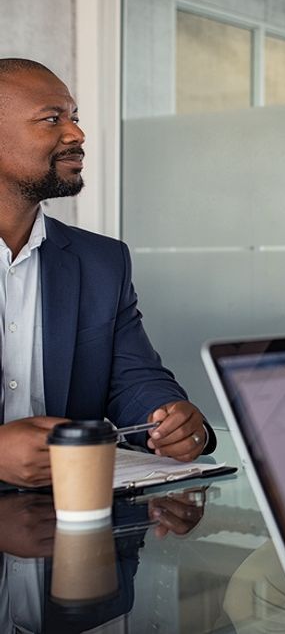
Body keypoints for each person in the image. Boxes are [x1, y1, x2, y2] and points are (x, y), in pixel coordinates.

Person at [0, 58, 215, 488]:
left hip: (73, 529)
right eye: (51, 118)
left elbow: (133, 380)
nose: (77, 134)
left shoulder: (101, 261)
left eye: (75, 117)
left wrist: (170, 419)